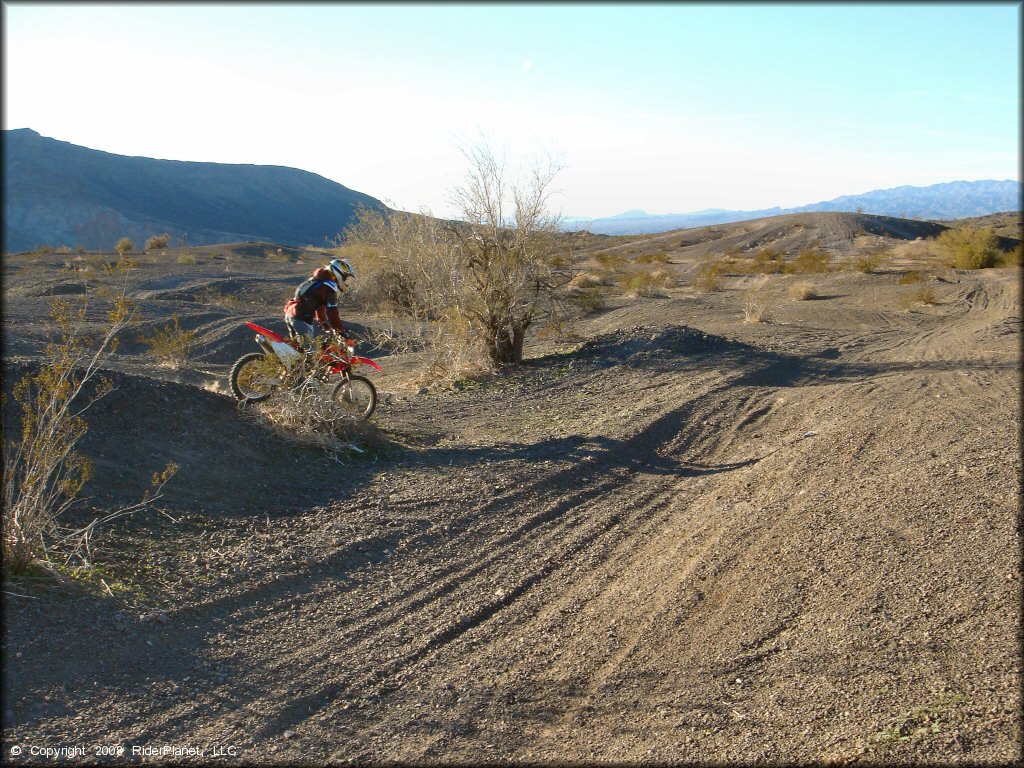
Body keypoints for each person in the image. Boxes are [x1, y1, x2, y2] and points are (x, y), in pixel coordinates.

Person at [283, 257, 355, 350]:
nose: (344, 280)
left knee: (297, 350)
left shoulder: (317, 280)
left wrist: (324, 324)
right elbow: (332, 311)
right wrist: (341, 330)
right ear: (339, 273)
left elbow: (319, 305)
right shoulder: (329, 285)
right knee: (311, 352)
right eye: (345, 277)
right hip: (301, 317)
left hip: (291, 314)